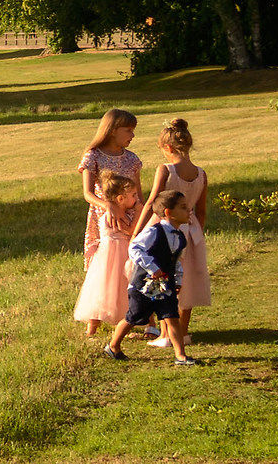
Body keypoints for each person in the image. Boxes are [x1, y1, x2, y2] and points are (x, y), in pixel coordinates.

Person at [133, 117, 211, 348]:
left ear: (167, 148)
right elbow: (202, 210)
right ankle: (183, 332)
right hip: (191, 228)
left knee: (163, 277)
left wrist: (137, 233)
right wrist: (196, 234)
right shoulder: (201, 173)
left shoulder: (165, 169)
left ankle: (166, 335)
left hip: (165, 227)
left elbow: (151, 202)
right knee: (186, 280)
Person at [108, 189, 199, 365]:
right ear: (168, 212)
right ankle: (113, 346)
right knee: (133, 317)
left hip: (166, 285)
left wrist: (178, 281)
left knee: (172, 317)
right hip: (143, 285)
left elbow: (175, 261)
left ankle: (180, 355)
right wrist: (152, 267)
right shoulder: (154, 232)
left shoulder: (180, 237)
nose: (189, 211)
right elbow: (135, 248)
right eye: (183, 207)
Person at [74, 170, 139, 339]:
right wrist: (140, 209)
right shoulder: (116, 215)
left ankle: (96, 327)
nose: (136, 198)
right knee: (110, 287)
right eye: (133, 195)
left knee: (109, 288)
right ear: (120, 199)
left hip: (109, 254)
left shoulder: (114, 212)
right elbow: (131, 230)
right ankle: (95, 326)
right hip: (115, 253)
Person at [78, 107, 142, 259]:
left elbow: (138, 193)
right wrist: (108, 206)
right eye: (128, 130)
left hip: (130, 219)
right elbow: (88, 193)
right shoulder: (93, 156)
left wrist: (142, 216)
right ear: (113, 130)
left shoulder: (132, 159)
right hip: (105, 218)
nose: (132, 135)